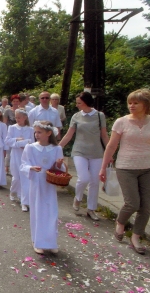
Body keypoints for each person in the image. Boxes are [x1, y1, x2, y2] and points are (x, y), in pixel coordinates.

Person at [99, 89, 150, 255]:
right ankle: (120, 222)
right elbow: (112, 146)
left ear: (145, 105)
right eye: (130, 102)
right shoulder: (121, 122)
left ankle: (136, 236)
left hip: (147, 167)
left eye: (136, 103)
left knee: (146, 206)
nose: (132, 106)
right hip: (126, 167)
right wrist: (103, 167)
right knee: (133, 202)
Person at [59, 92, 109, 221]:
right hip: (79, 151)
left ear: (86, 102)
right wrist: (58, 147)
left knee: (94, 181)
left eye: (79, 103)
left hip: (96, 152)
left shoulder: (99, 115)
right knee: (83, 178)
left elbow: (104, 135)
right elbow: (69, 135)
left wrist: (109, 152)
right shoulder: (76, 116)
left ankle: (91, 209)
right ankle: (78, 198)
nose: (77, 105)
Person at [21, 121, 65, 254]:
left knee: (51, 211)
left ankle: (51, 241)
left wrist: (58, 165)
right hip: (37, 182)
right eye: (35, 132)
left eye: (39, 132)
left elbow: (61, 169)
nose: (36, 135)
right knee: (37, 211)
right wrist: (31, 168)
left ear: (49, 133)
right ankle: (37, 241)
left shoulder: (57, 149)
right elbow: (23, 164)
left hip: (49, 183)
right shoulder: (30, 147)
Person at [6, 109, 34, 211]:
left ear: (25, 118)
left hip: (26, 156)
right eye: (16, 117)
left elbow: (32, 142)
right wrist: (17, 141)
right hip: (16, 155)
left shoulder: (30, 129)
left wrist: (26, 144)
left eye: (19, 117)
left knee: (25, 178)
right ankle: (13, 191)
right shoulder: (12, 128)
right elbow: (8, 140)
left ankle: (24, 202)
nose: (17, 119)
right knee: (16, 177)